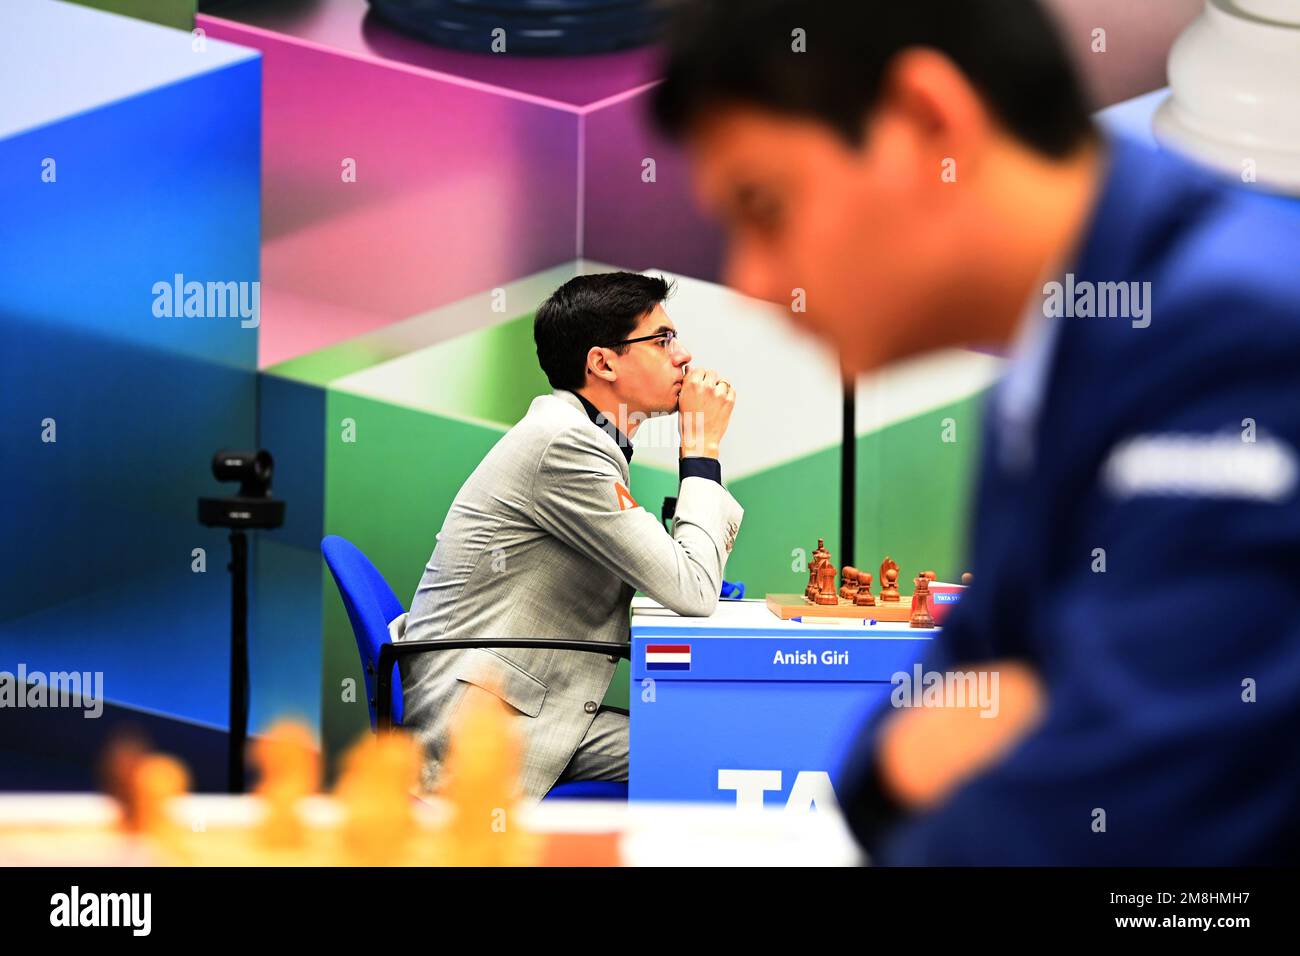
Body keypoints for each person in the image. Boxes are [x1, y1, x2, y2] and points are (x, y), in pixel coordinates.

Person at [652, 0, 1300, 863]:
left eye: (764, 205)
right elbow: (931, 719)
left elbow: (1131, 803)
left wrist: (1034, 722)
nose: (755, 277)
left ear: (927, 120)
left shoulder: (1232, 337)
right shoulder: (1058, 354)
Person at [393, 271, 742, 800]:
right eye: (663, 340)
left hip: (529, 704)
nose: (685, 356)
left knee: (710, 742)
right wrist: (701, 447)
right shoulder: (565, 446)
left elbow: (684, 578)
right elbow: (692, 589)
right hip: (484, 730)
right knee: (716, 750)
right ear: (602, 363)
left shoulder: (581, 438)